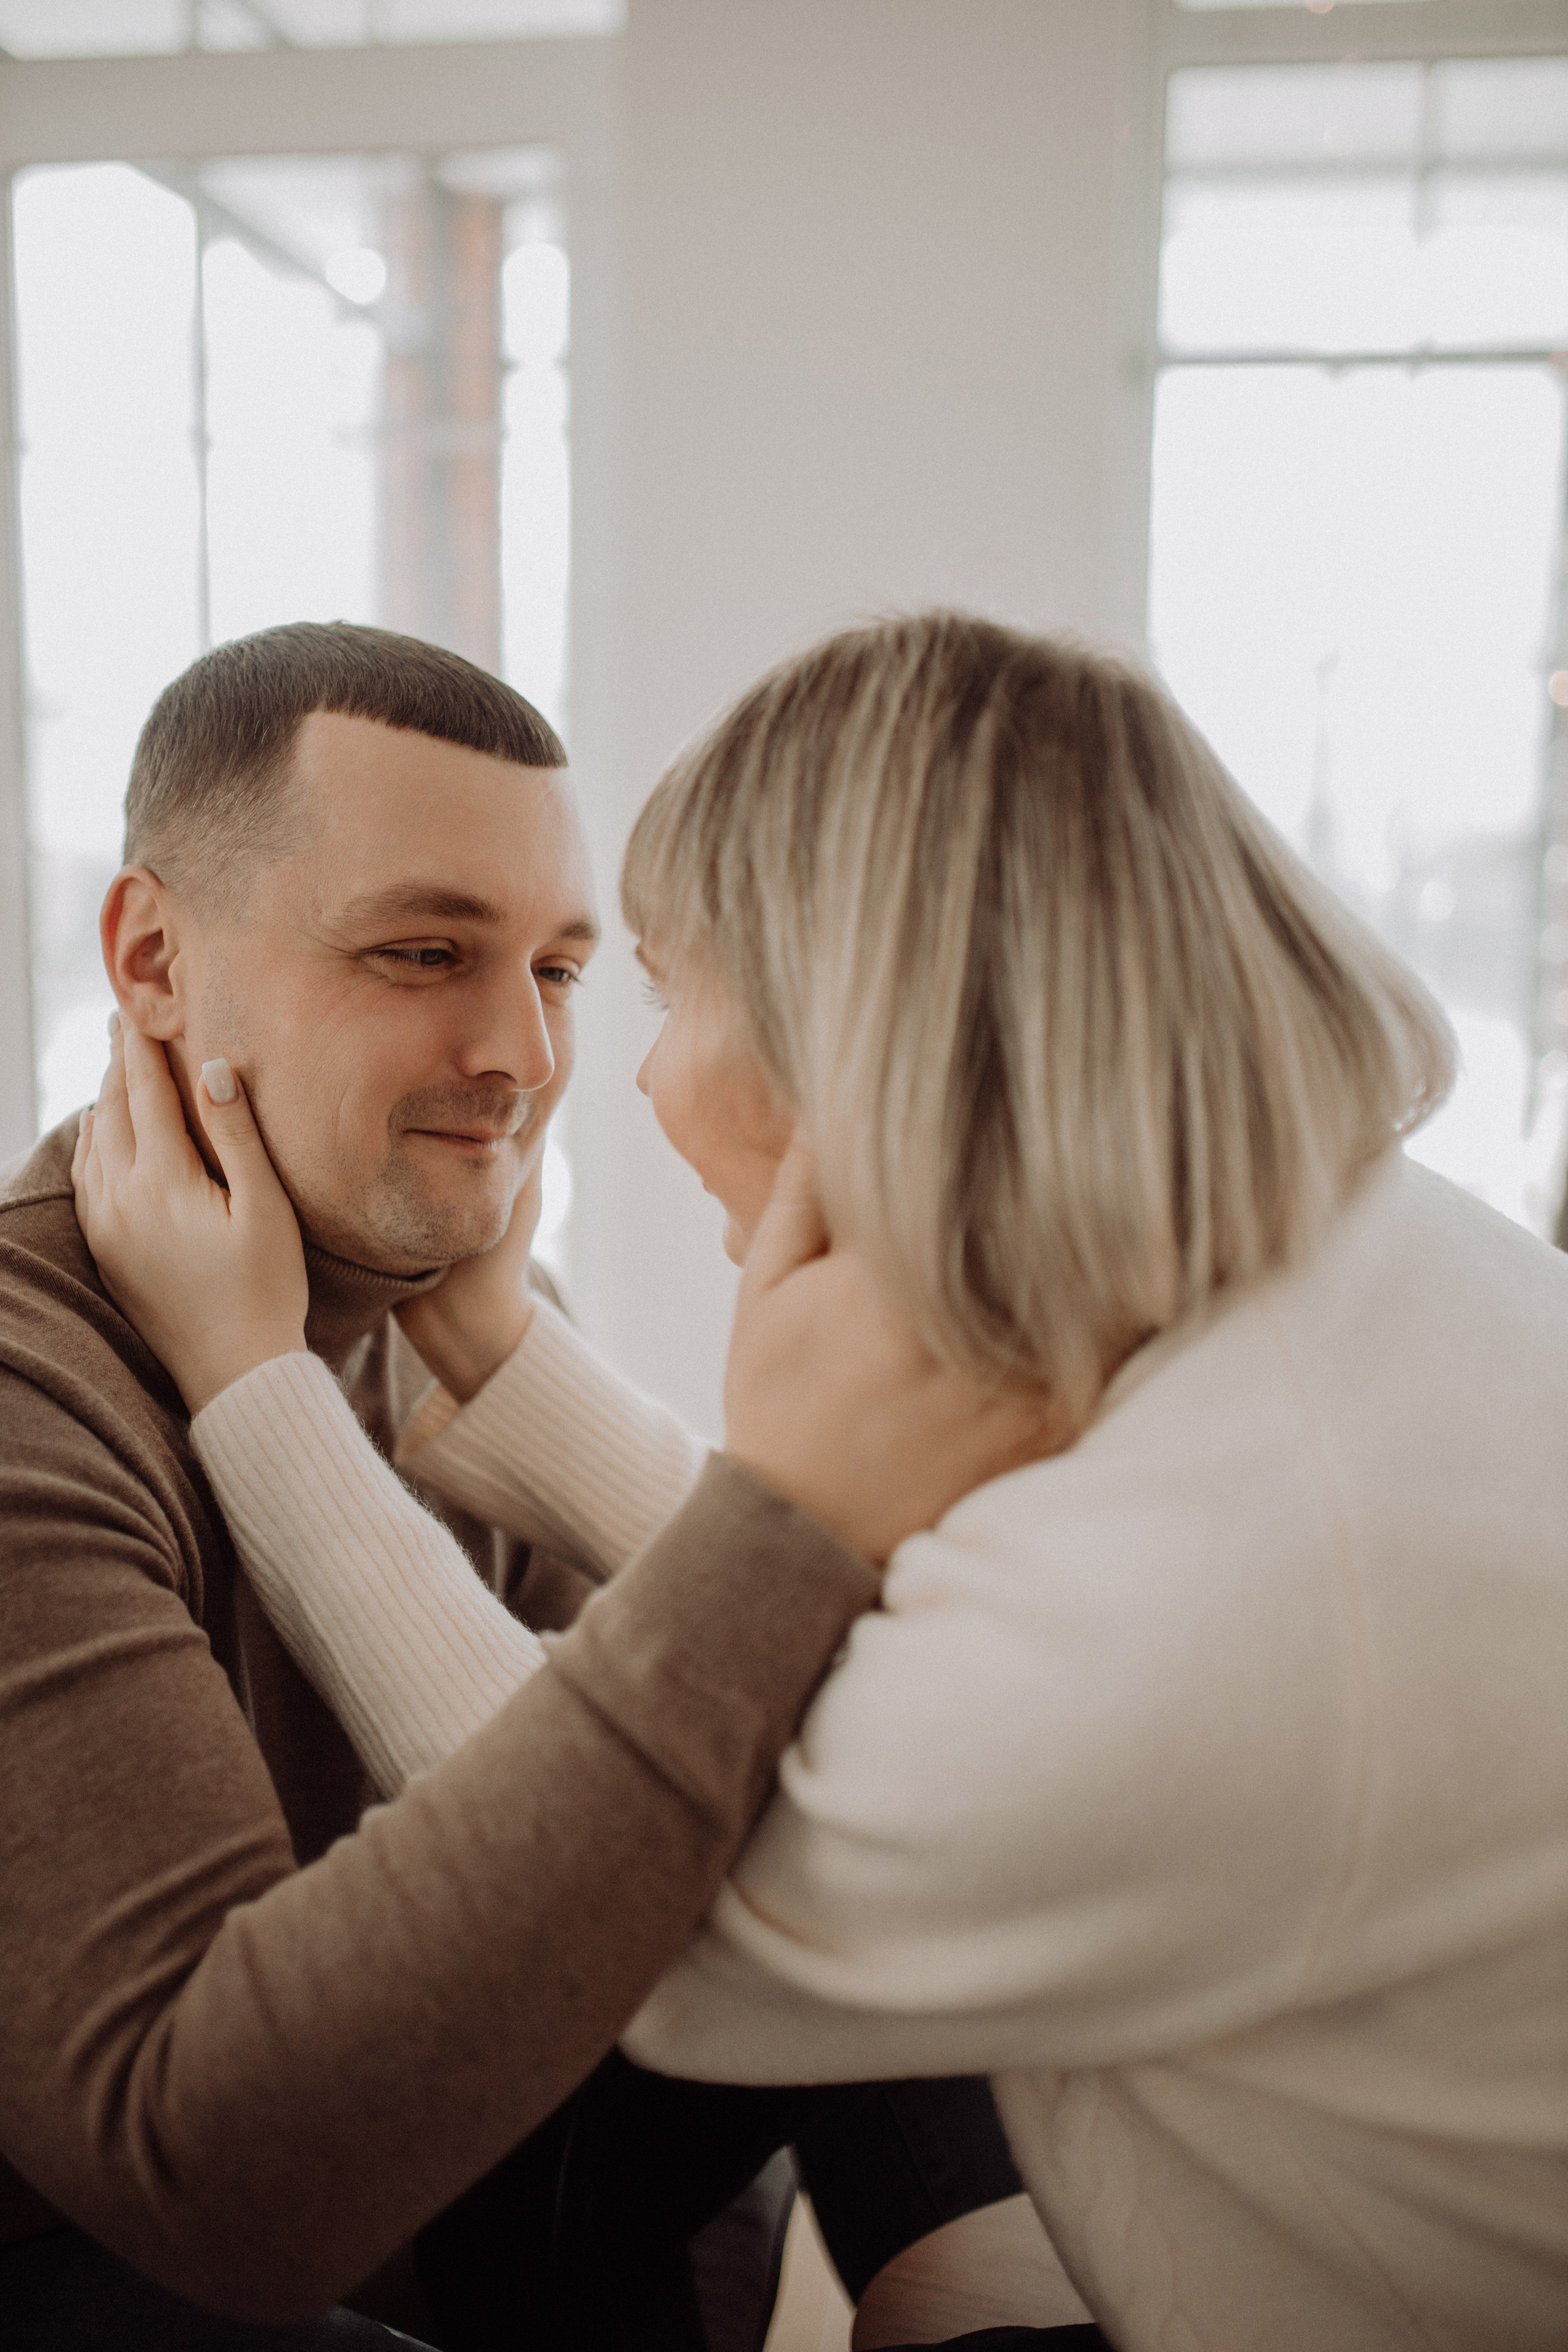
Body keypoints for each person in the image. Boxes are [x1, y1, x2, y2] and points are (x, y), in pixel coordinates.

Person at [78, 612, 1568, 2352]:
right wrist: (512, 1367)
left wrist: (257, 1392)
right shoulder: (1347, 1271)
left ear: (860, 1016)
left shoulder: (1216, 1574)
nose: (598, 1072)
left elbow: (622, 1899)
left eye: (652, 983)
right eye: (429, 954)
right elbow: (887, 1651)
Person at [0, 619, 1066, 2352]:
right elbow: (214, 2172)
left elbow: (684, 1840)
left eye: (562, 971)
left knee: (880, 1823)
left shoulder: (468, 1331)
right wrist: (794, 1509)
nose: (523, 1055)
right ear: (154, 962)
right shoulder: (25, 1392)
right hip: (107, 2257)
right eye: (424, 952)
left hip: (425, 2182)